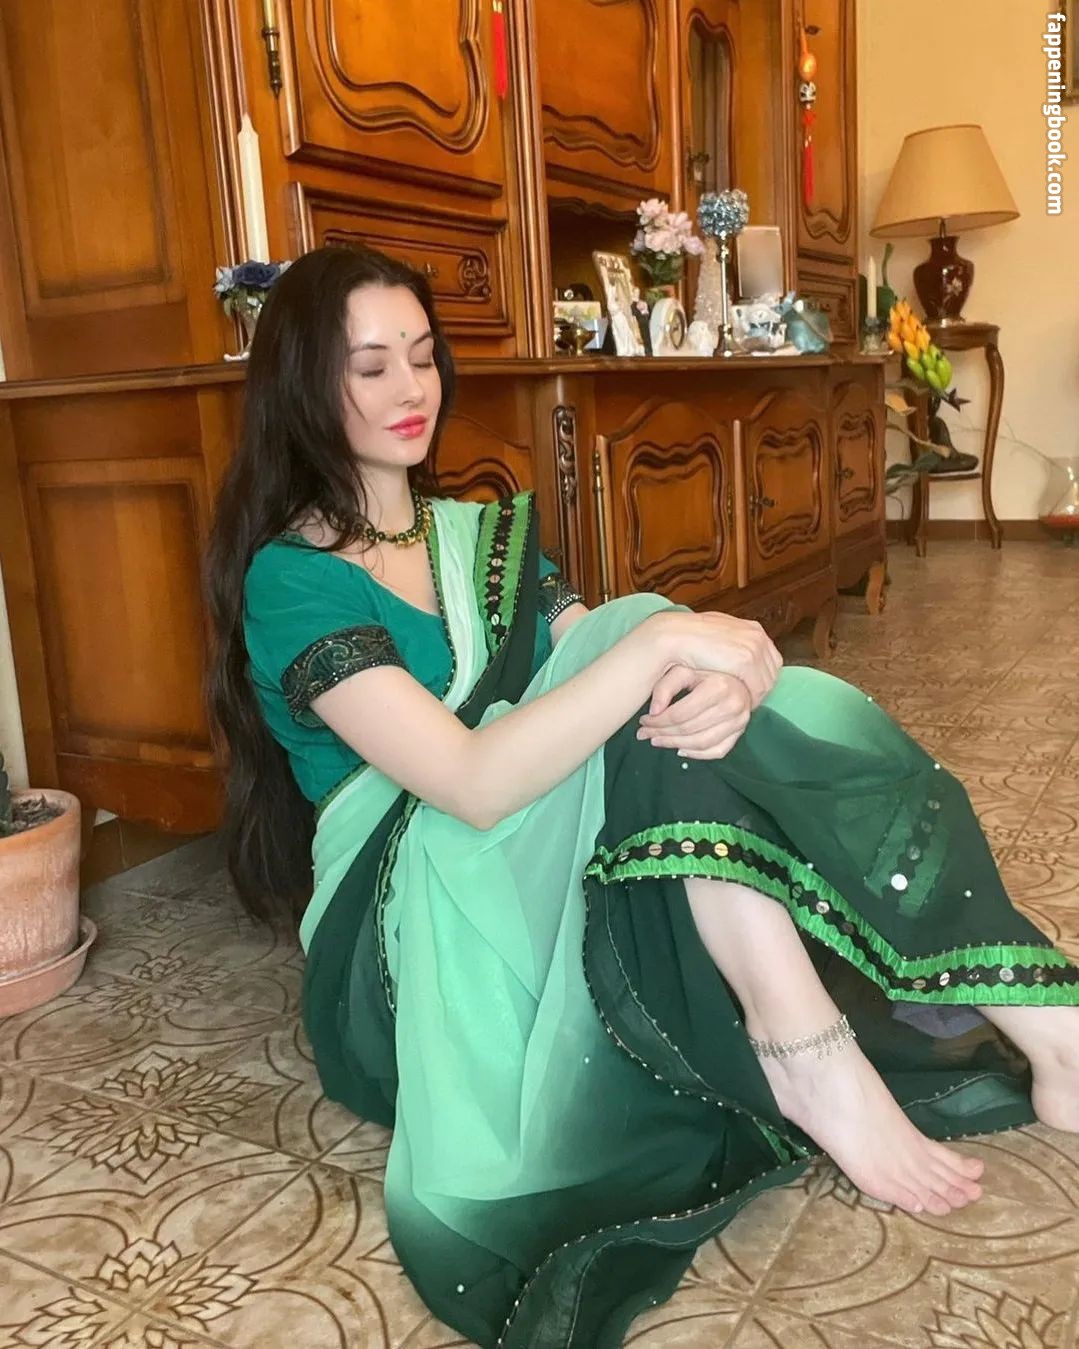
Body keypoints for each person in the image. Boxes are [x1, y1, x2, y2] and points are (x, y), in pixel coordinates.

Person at [206, 245, 1079, 1349]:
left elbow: (607, 658)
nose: (410, 388)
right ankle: (908, 1038)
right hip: (409, 922)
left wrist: (727, 670)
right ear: (301, 385)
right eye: (370, 367)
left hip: (535, 834)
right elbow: (468, 782)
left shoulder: (475, 534)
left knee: (668, 694)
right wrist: (663, 642)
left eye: (422, 357)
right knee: (642, 657)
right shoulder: (291, 577)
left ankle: (943, 1034)